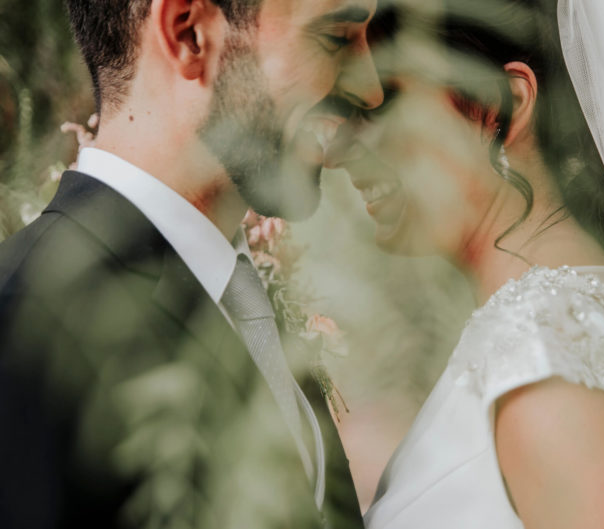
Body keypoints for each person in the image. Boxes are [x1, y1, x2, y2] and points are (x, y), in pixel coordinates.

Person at [0, 0, 383, 528]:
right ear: (190, 34)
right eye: (336, 38)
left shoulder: (244, 298)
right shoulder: (23, 324)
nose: (372, 90)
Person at [328, 0, 604, 527]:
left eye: (383, 103)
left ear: (501, 103)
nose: (340, 148)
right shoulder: (588, 307)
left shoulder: (547, 365)